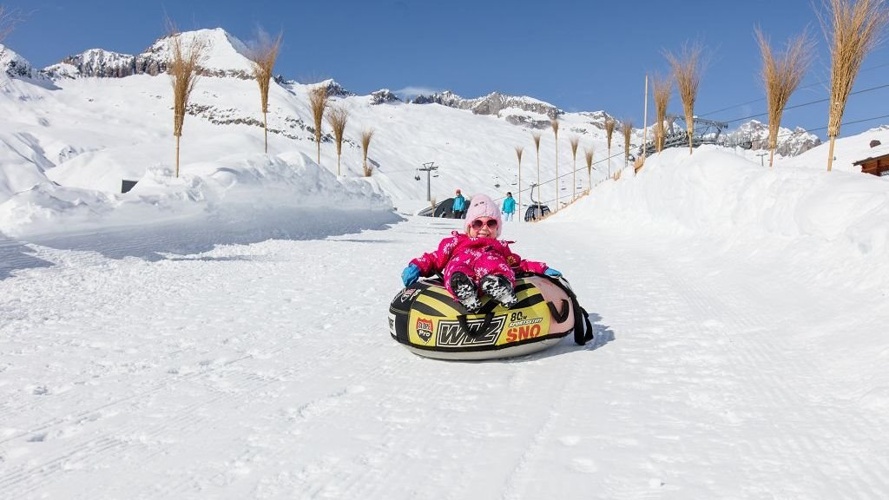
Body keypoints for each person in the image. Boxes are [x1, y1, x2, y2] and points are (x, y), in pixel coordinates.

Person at [401, 194, 561, 312]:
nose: (484, 228)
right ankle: (463, 288)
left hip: (490, 274)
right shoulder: (456, 242)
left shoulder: (500, 247)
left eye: (491, 223)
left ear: (497, 228)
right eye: (478, 223)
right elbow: (434, 258)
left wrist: (542, 269)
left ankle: (499, 285)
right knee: (458, 267)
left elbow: (519, 265)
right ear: (468, 227)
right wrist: (416, 266)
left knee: (494, 262)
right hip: (463, 269)